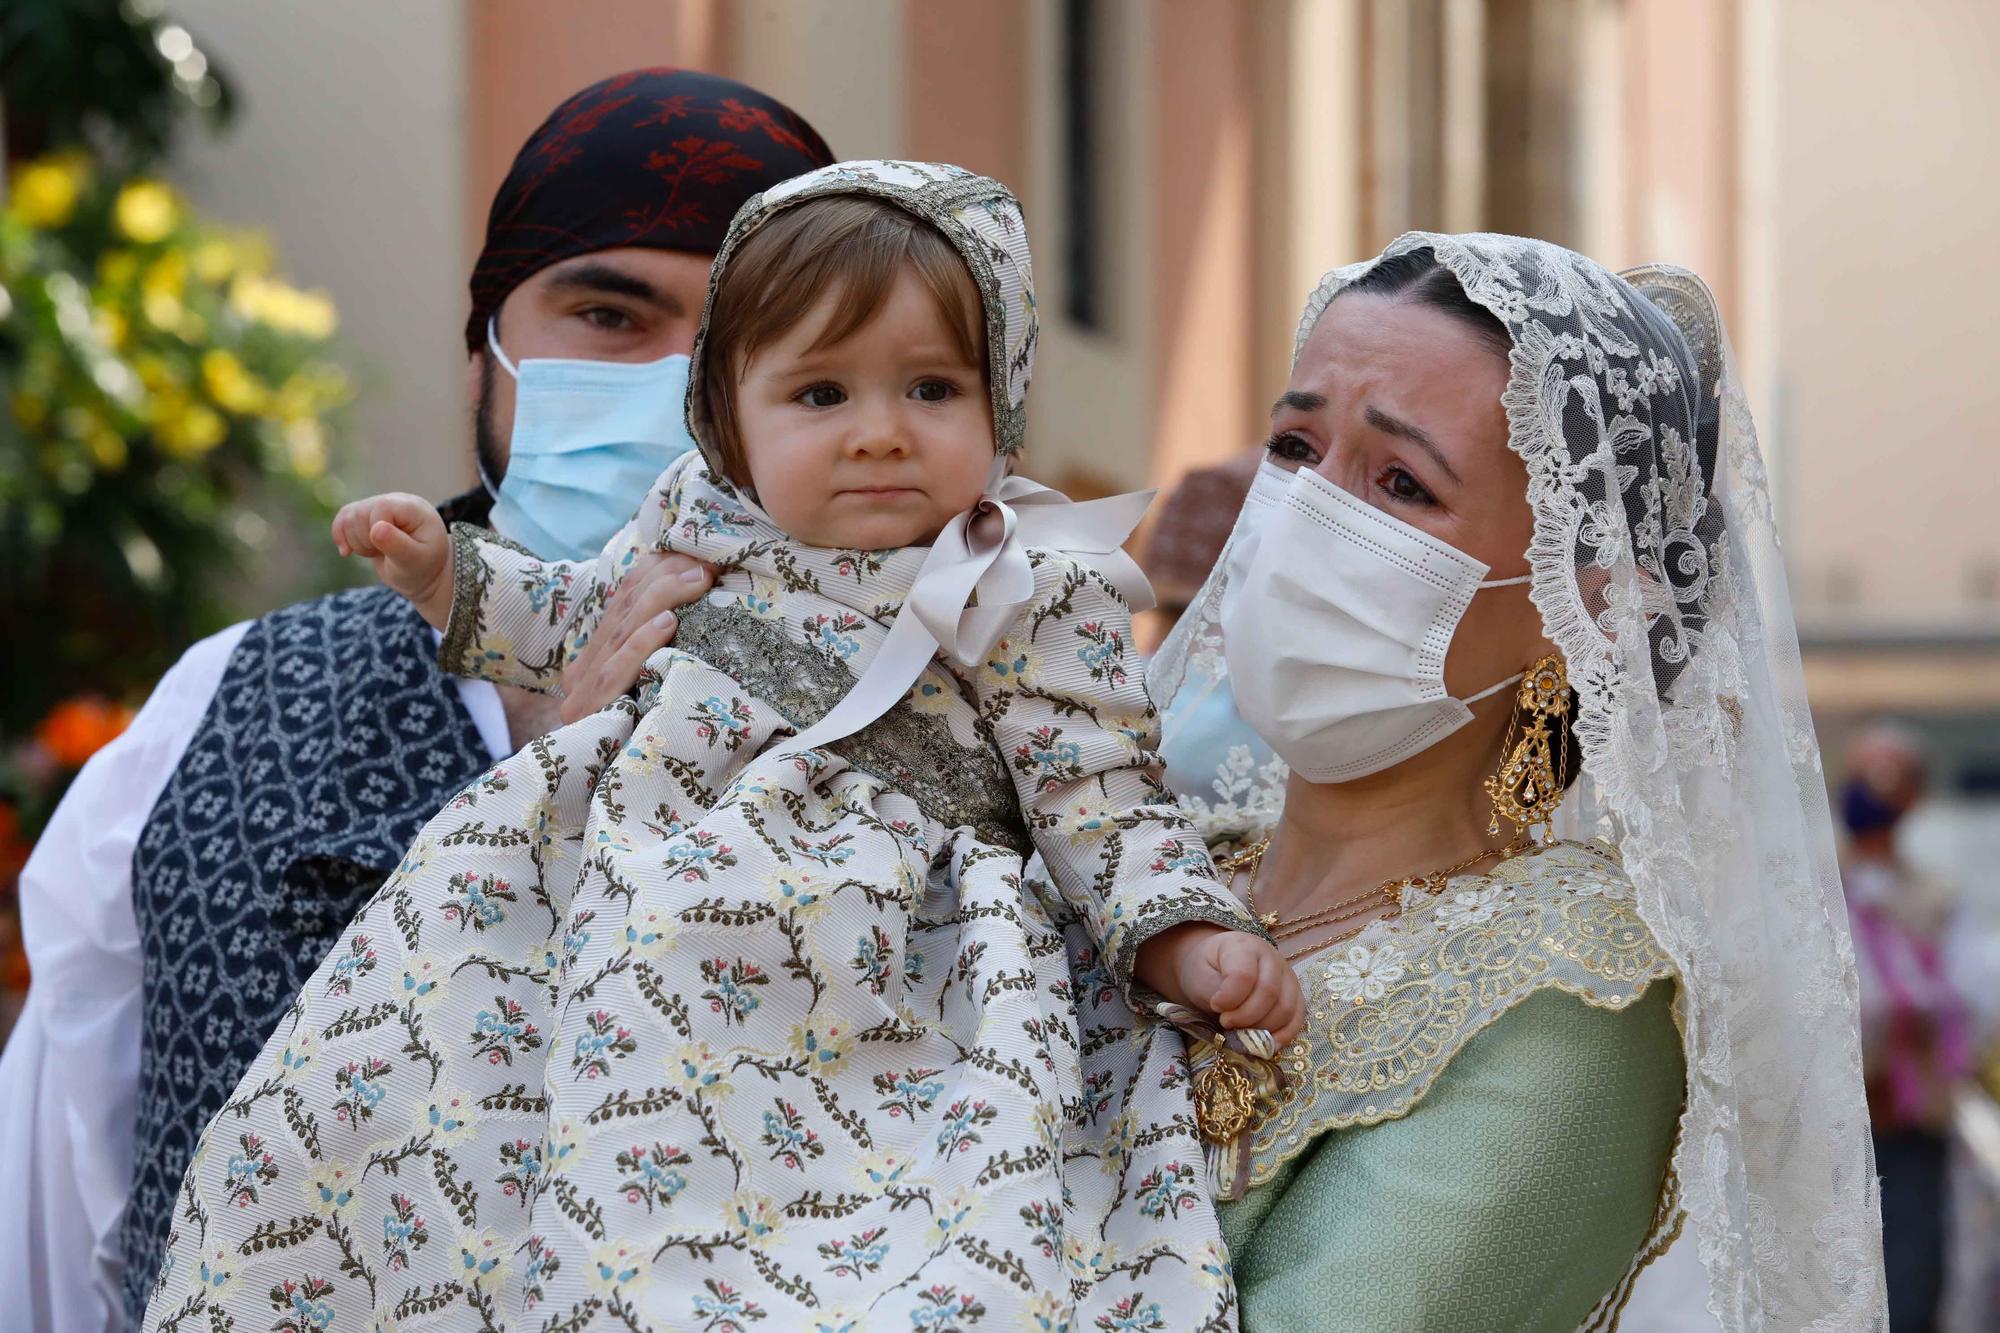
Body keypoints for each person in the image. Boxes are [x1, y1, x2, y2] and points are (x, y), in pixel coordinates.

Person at [141, 161, 1299, 1331]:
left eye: (932, 387)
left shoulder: (1031, 586)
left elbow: (1095, 791)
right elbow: (571, 615)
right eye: (820, 395)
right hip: (620, 910)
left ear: (999, 399)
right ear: (727, 416)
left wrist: (1182, 933)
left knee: (907, 1228)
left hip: (897, 963)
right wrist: (448, 573)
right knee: (416, 1099)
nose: (879, 434)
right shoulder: (695, 515)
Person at [0, 68, 833, 1333]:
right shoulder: (232, 706)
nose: (678, 384)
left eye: (747, 333)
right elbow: (61, 1212)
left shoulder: (936, 736)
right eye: (609, 314)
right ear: (483, 359)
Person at [1144, 235, 1888, 1329]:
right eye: (1294, 447)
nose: (1303, 515)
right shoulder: (1159, 862)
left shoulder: (1573, 994)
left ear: (1580, 607)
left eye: (1400, 481)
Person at [1840, 724, 1970, 1331]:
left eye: (1887, 776)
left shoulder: (1937, 896)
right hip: (1838, 1124)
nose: (1870, 790)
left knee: (1914, 1280)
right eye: (1862, 772)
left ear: (1913, 795)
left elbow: (1961, 1001)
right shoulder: (1811, 888)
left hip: (1912, 1120)